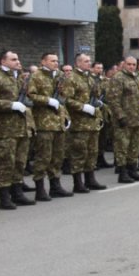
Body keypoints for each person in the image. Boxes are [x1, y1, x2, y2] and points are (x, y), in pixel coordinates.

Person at [59, 53, 107, 193]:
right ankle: (78, 183)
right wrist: (83, 107)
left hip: (92, 122)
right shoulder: (71, 78)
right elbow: (67, 100)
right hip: (79, 123)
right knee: (79, 153)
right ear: (78, 63)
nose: (89, 63)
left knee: (92, 152)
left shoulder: (89, 78)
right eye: (86, 61)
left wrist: (96, 105)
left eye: (89, 61)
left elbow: (95, 95)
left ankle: (90, 179)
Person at [27, 52, 70, 199]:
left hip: (58, 122)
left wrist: (65, 116)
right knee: (43, 157)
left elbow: (65, 95)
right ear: (43, 61)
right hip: (44, 123)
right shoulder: (36, 76)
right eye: (52, 61)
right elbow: (30, 95)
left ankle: (55, 186)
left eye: (57, 61)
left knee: (57, 156)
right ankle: (40, 188)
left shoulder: (59, 76)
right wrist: (47, 100)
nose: (56, 63)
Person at [0, 50, 34, 209]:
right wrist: (10, 104)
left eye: (18, 59)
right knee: (6, 163)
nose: (18, 62)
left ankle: (17, 193)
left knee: (20, 162)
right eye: (14, 59)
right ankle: (4, 197)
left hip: (21, 127)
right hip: (4, 129)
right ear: (3, 61)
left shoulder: (18, 78)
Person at [106, 56, 139, 184]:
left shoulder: (136, 78)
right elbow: (113, 99)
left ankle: (132, 170)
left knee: (135, 147)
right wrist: (120, 116)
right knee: (122, 147)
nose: (131, 67)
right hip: (125, 120)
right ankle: (122, 173)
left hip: (138, 119)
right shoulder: (118, 78)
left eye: (134, 64)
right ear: (124, 64)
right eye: (129, 64)